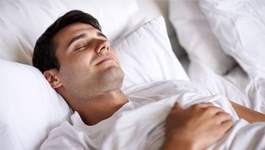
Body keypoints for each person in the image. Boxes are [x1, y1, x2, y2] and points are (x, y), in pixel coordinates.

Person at [32, 10, 265, 150]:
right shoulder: (70, 141)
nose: (102, 45)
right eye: (81, 45)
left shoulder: (171, 87)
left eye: (103, 40)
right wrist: (182, 141)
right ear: (53, 78)